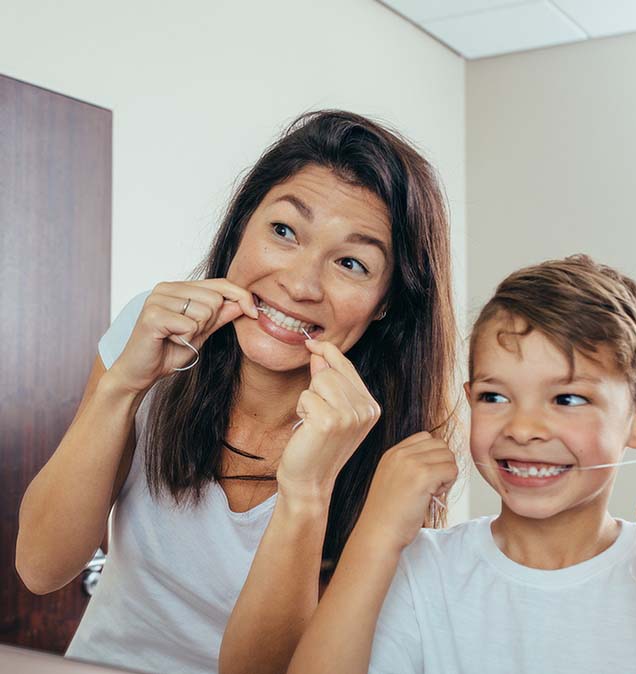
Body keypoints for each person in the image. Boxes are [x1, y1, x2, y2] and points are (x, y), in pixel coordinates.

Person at [15, 110, 460, 674]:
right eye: (283, 231)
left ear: (387, 304)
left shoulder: (397, 456)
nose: (300, 284)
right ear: (240, 228)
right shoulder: (151, 331)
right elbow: (41, 566)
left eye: (351, 263)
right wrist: (123, 387)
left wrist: (309, 488)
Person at [288, 254, 636, 674]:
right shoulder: (420, 570)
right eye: (495, 397)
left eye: (568, 399)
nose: (522, 429)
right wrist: (375, 534)